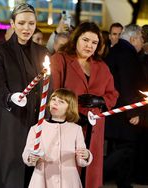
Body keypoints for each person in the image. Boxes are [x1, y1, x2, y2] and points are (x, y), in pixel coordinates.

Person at [0, 3, 48, 188]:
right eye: (21, 23)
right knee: (10, 164)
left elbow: (48, 86)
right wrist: (10, 97)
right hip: (10, 117)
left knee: (35, 165)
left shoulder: (43, 52)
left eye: (31, 23)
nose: (26, 28)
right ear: (12, 23)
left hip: (37, 117)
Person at [50, 22, 119, 188]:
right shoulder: (60, 60)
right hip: (67, 125)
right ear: (76, 39)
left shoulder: (102, 66)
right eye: (85, 40)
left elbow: (113, 94)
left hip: (94, 128)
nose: (89, 46)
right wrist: (71, 114)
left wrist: (100, 101)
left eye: (94, 43)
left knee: (90, 171)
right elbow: (53, 93)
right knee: (67, 171)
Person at [22, 88, 93, 188]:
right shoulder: (36, 128)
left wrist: (86, 155)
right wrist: (31, 157)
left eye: (61, 102)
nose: (55, 103)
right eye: (53, 99)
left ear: (69, 108)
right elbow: (27, 152)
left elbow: (80, 160)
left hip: (69, 181)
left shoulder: (76, 129)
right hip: (42, 179)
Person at [104, 24, 144, 188]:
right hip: (122, 110)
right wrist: (132, 111)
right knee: (126, 146)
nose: (143, 41)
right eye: (141, 38)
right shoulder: (127, 53)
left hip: (114, 108)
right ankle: (100, 174)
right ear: (133, 38)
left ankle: (123, 181)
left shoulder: (116, 50)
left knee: (124, 146)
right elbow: (127, 84)